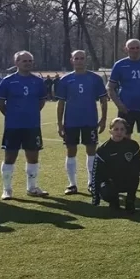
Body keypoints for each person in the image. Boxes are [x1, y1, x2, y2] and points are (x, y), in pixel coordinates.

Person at [56, 49, 108, 196]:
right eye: (76, 58)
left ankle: (92, 182)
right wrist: (60, 124)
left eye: (82, 58)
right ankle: (72, 184)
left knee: (91, 152)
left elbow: (103, 100)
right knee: (71, 152)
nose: (79, 61)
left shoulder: (95, 79)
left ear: (86, 60)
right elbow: (60, 103)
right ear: (71, 60)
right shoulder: (65, 80)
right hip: (71, 122)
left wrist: (103, 119)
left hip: (90, 121)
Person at [0, 51, 48, 199]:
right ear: (16, 63)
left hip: (32, 125)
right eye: (24, 61)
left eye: (30, 61)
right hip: (13, 126)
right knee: (10, 157)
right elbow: (1, 103)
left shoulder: (38, 82)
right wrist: (12, 115)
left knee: (33, 157)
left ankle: (32, 187)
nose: (27, 63)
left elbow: (41, 102)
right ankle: (7, 190)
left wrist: (29, 113)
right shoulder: (7, 81)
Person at [108, 39, 140, 180]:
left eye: (137, 47)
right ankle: (125, 171)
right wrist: (119, 105)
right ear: (126, 49)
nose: (135, 50)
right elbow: (110, 88)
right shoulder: (119, 65)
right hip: (126, 110)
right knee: (124, 140)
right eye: (132, 48)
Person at [92, 117, 140, 213]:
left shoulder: (132, 145)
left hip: (127, 180)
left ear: (125, 131)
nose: (119, 132)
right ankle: (114, 200)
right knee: (106, 190)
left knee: (134, 170)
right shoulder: (103, 149)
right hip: (111, 183)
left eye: (122, 129)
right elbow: (96, 174)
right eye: (116, 129)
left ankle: (130, 199)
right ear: (110, 131)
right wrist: (95, 197)